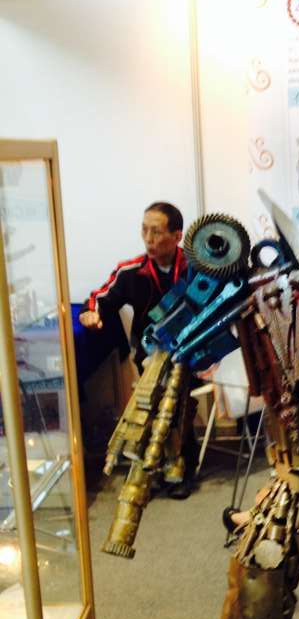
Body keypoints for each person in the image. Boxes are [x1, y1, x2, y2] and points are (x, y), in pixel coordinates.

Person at [80, 202, 198, 498]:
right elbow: (100, 298)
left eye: (156, 232)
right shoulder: (131, 271)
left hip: (191, 353)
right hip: (149, 355)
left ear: (177, 235)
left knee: (177, 408)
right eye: (144, 230)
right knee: (150, 407)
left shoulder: (195, 268)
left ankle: (182, 468)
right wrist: (91, 314)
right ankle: (156, 467)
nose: (148, 238)